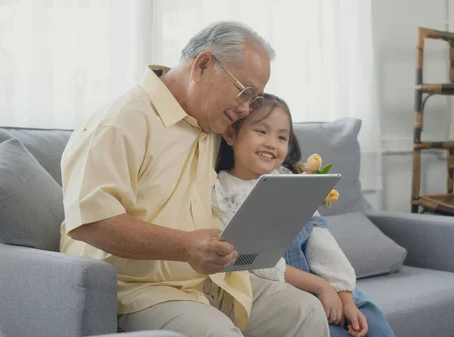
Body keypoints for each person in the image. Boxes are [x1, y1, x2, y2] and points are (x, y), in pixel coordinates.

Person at [58, 21, 329, 337]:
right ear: (202, 65)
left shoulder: (209, 123)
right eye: (244, 92)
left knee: (305, 312)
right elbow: (90, 222)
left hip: (213, 280)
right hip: (141, 292)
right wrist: (185, 245)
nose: (245, 109)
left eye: (254, 99)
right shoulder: (120, 121)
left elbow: (258, 159)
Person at [212, 93, 396, 337]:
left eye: (281, 136)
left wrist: (344, 294)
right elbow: (258, 263)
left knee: (371, 319)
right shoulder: (223, 191)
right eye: (261, 131)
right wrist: (320, 287)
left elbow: (321, 241)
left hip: (323, 283)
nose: (271, 143)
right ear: (231, 134)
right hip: (287, 291)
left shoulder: (290, 181)